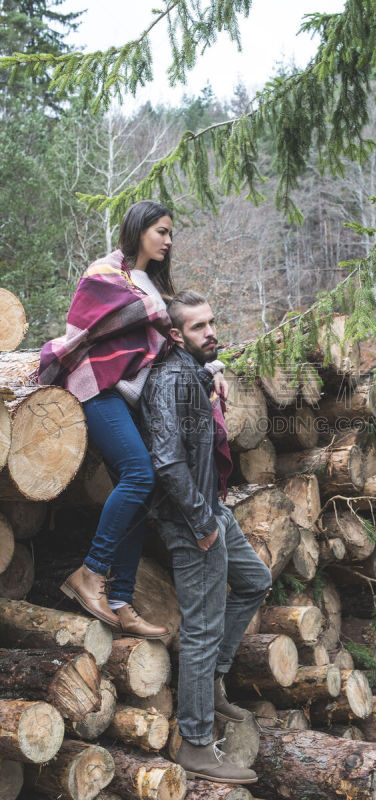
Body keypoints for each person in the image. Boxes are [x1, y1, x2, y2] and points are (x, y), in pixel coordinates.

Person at [38, 201, 226, 638]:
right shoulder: (105, 272)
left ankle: (121, 599)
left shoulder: (152, 287)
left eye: (171, 233)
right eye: (161, 231)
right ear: (139, 228)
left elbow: (174, 346)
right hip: (94, 387)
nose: (168, 240)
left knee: (143, 487)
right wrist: (150, 310)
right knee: (140, 474)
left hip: (124, 395)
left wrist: (214, 370)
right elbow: (83, 329)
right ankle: (91, 571)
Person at [139, 290, 272, 784]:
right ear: (175, 335)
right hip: (191, 519)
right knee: (200, 630)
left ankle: (213, 679)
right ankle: (196, 744)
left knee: (256, 581)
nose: (210, 331)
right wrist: (201, 525)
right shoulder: (170, 380)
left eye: (211, 322)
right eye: (198, 327)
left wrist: (209, 379)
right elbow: (168, 461)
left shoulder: (189, 371)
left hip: (211, 508)